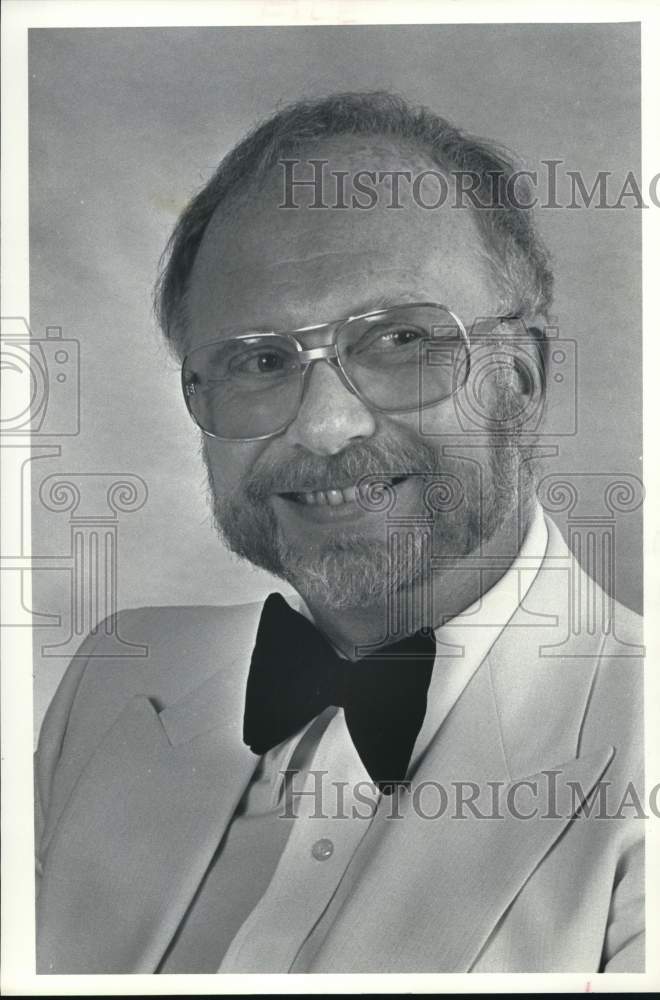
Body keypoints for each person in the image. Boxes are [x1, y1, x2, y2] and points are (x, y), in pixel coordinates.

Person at [34, 92, 644, 974]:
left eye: (399, 339)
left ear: (521, 376)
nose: (325, 428)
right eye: (259, 360)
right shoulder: (117, 672)